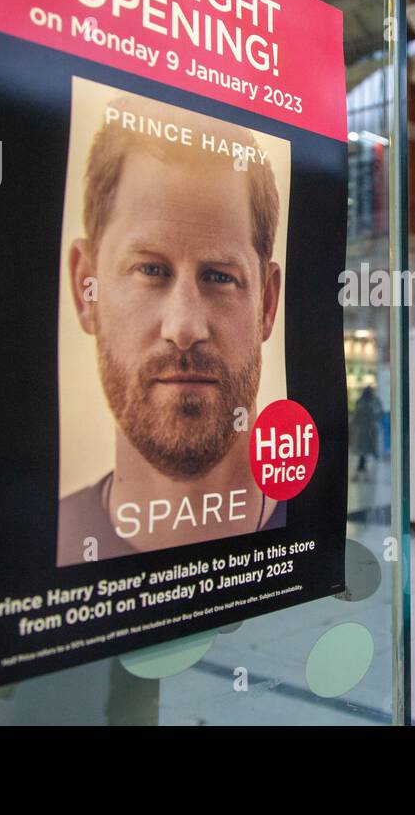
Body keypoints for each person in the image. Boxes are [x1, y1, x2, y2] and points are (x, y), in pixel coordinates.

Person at [57, 95, 285, 565]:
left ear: (266, 303)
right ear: (86, 290)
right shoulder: (34, 551)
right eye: (150, 270)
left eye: (220, 276)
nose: (184, 327)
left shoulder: (317, 535)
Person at [351, 385, 383, 481]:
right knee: (363, 453)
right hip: (364, 430)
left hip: (368, 430)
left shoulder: (372, 401)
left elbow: (378, 413)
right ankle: (362, 473)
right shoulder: (365, 401)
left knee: (364, 453)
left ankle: (362, 473)